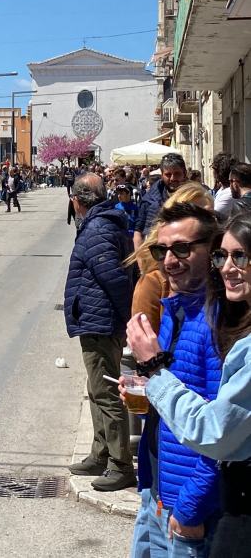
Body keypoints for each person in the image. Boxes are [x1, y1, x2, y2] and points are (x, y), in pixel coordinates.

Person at [125, 214, 251, 557]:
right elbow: (178, 395)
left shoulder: (220, 325)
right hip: (158, 492)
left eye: (181, 249)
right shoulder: (176, 309)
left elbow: (221, 435)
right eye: (162, 249)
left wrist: (190, 507)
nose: (169, 260)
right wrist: (146, 386)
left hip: (187, 509)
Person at [64, 174, 136, 492]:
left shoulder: (97, 229)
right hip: (95, 319)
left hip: (101, 322)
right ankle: (100, 452)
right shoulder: (100, 224)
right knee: (96, 390)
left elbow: (116, 280)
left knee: (106, 394)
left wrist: (129, 320)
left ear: (79, 200)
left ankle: (120, 465)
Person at [128, 181, 214, 335]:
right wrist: (155, 358)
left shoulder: (223, 277)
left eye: (209, 217)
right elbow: (145, 345)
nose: (169, 261)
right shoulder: (153, 282)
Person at [134, 153, 188, 249]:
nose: (173, 178)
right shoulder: (149, 199)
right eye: (168, 174)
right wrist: (140, 259)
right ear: (162, 175)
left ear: (185, 173)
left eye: (177, 174)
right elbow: (138, 231)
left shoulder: (197, 197)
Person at [212, 152, 237, 219]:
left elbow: (213, 215)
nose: (212, 172)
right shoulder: (222, 188)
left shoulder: (230, 193)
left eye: (213, 168)